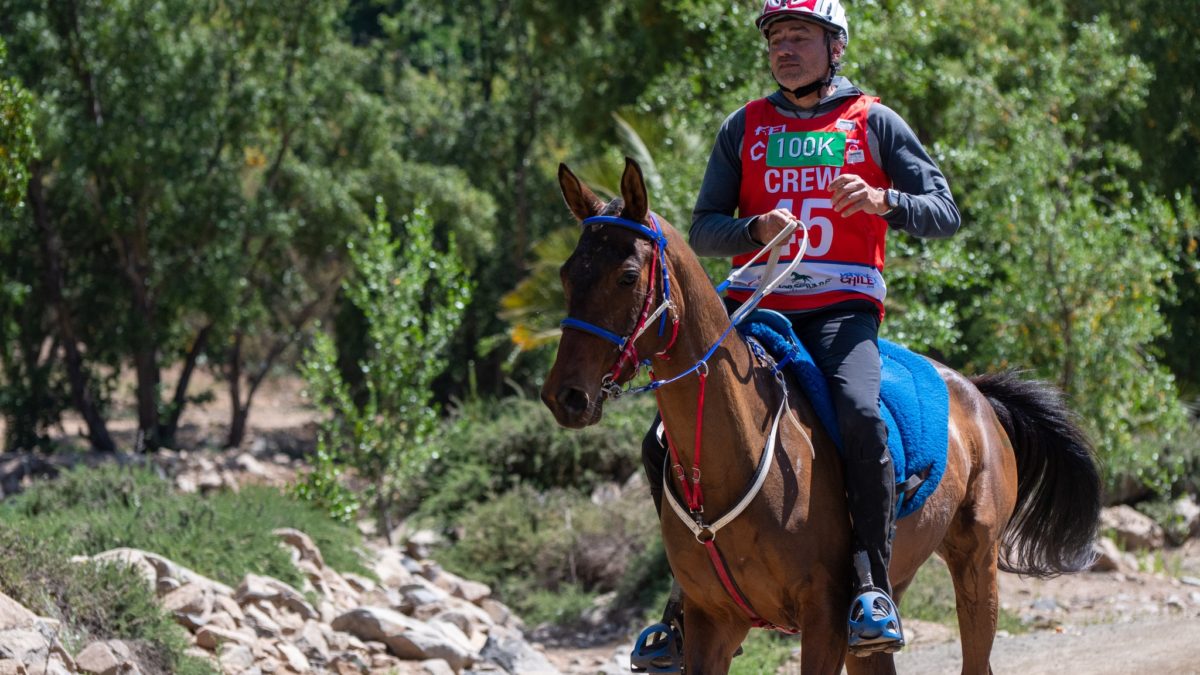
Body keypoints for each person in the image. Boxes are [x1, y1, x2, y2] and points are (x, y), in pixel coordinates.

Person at [638, 0, 960, 658]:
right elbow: (703, 227)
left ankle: (870, 586)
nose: (785, 48)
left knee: (860, 413)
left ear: (834, 46)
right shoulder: (744, 127)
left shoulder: (874, 122)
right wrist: (753, 229)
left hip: (843, 307)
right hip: (756, 305)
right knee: (660, 432)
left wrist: (883, 200)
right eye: (777, 38)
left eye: (800, 37)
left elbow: (945, 210)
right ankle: (682, 599)